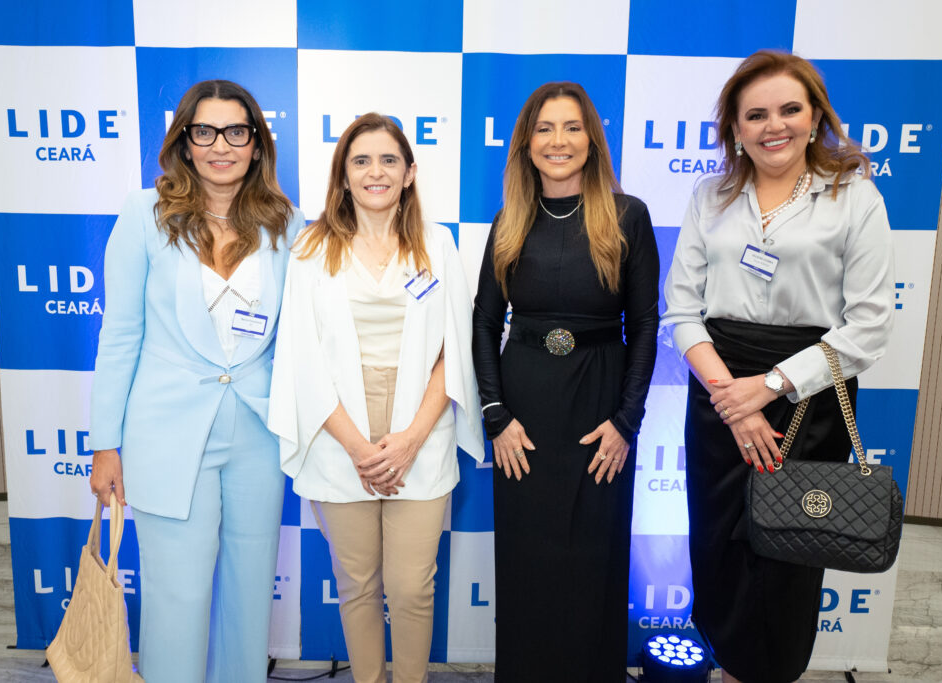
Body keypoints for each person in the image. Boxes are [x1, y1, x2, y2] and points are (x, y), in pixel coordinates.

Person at [662, 50, 894, 683]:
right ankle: (726, 668)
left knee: (788, 556)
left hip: (809, 399)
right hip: (719, 398)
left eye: (790, 109)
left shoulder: (855, 197)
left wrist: (769, 388)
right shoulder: (710, 195)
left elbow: (869, 326)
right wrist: (734, 402)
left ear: (815, 116)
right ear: (735, 128)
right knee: (718, 551)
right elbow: (681, 311)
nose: (775, 126)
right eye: (756, 114)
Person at [88, 80, 304, 682]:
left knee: (249, 592)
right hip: (166, 433)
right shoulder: (144, 215)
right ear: (184, 142)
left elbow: (301, 335)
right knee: (176, 597)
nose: (220, 146)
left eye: (236, 132)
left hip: (258, 433)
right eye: (204, 132)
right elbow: (120, 335)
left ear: (256, 144)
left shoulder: (285, 222)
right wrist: (105, 444)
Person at [268, 113, 484, 683]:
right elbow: (303, 359)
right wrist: (359, 448)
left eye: (389, 160)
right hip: (337, 428)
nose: (375, 172)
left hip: (421, 424)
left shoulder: (437, 244)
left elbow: (454, 351)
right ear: (343, 176)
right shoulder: (311, 248)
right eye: (361, 161)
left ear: (410, 172)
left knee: (412, 586)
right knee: (357, 584)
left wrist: (411, 440)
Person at [472, 82, 659, 682]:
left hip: (601, 415)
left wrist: (626, 422)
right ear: (526, 144)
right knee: (527, 562)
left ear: (592, 139)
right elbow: (484, 322)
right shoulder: (509, 221)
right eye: (545, 128)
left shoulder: (628, 216)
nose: (559, 141)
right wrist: (496, 415)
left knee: (592, 563)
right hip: (523, 419)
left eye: (572, 127)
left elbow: (645, 325)